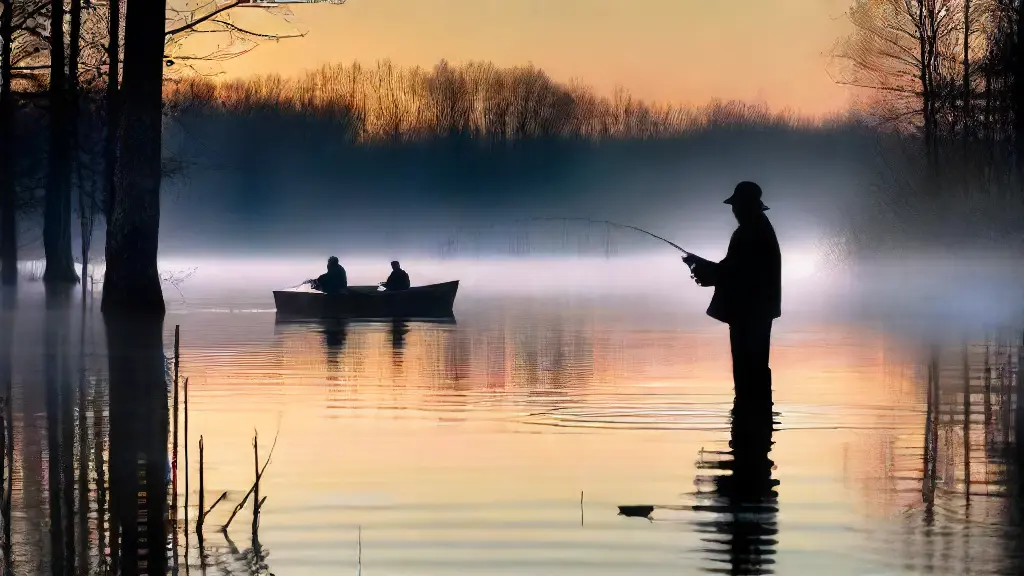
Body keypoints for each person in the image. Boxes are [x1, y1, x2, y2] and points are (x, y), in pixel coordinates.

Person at [682, 181, 781, 395]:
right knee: (753, 366)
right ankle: (756, 410)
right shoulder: (756, 229)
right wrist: (701, 265)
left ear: (746, 206)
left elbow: (738, 272)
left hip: (750, 311)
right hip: (755, 310)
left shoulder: (751, 233)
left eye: (737, 206)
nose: (734, 210)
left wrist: (702, 267)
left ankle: (749, 409)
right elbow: (733, 268)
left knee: (749, 367)